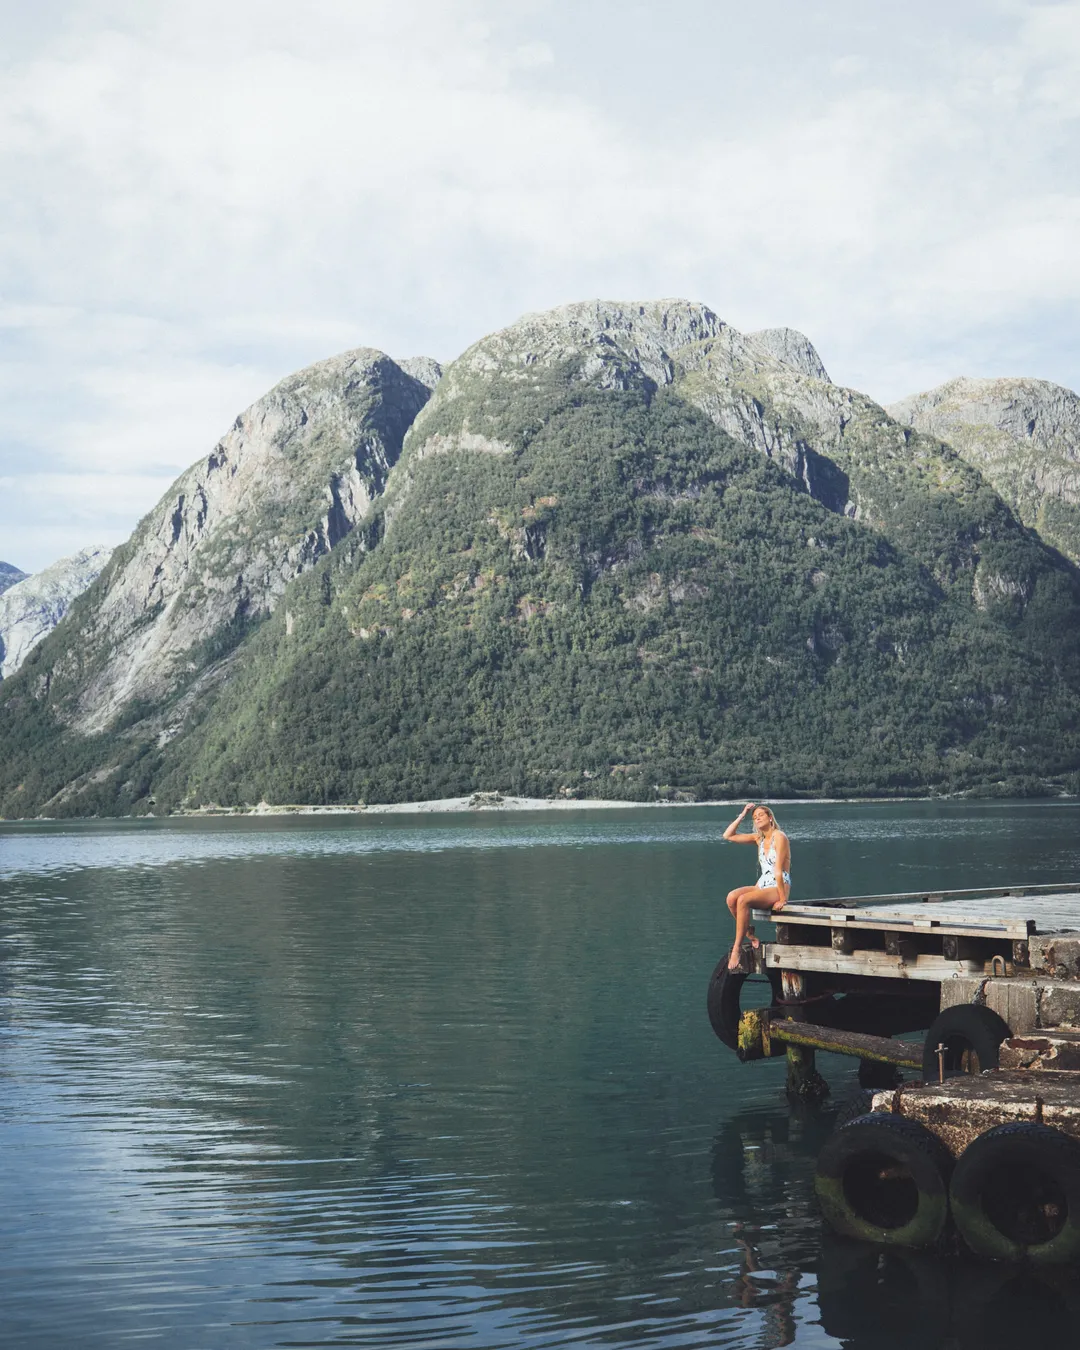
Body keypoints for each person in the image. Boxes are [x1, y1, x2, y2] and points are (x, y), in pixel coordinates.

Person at [724, 803, 790, 970]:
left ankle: (737, 948)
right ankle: (749, 932)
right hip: (763, 883)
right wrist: (743, 814)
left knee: (744, 900)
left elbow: (778, 870)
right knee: (732, 898)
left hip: (779, 883)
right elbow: (728, 835)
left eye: (760, 814)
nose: (757, 817)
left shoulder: (779, 836)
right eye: (754, 817)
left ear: (770, 818)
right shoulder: (758, 838)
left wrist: (783, 898)